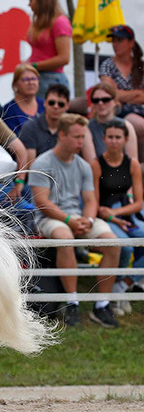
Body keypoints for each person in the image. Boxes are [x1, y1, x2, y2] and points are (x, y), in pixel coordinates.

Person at [29, 113, 120, 328]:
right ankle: (72, 302)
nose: (81, 142)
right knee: (65, 237)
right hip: (48, 218)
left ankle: (102, 305)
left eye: (83, 137)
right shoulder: (43, 162)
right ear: (62, 134)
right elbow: (42, 202)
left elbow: (90, 199)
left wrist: (87, 219)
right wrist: (70, 220)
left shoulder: (84, 165)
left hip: (76, 218)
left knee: (113, 243)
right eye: (77, 137)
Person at [91, 119, 144, 316]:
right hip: (103, 214)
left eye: (118, 137)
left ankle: (122, 284)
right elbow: (94, 202)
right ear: (104, 139)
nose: (114, 141)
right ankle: (113, 291)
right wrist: (111, 217)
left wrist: (116, 213)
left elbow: (138, 202)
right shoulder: (96, 165)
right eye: (110, 137)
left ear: (126, 139)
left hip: (123, 210)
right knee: (125, 246)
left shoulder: (133, 165)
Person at [98, 24, 144, 162]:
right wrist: (136, 94)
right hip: (119, 112)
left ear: (131, 43)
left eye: (119, 40)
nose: (115, 44)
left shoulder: (140, 66)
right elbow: (109, 94)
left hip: (138, 111)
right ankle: (135, 166)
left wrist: (121, 94)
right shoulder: (107, 64)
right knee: (138, 125)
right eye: (114, 40)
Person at [26, 0, 71, 98]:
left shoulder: (60, 22)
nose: (29, 5)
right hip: (36, 77)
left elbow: (64, 58)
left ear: (41, 1)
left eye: (31, 0)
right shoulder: (40, 22)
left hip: (52, 79)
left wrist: (34, 65)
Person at [83, 82, 138, 162]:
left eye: (106, 100)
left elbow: (133, 163)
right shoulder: (87, 127)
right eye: (96, 100)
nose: (100, 103)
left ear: (115, 102)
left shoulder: (126, 126)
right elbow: (92, 164)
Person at [19, 83, 69, 166]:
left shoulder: (71, 129)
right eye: (51, 102)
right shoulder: (30, 128)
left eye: (61, 104)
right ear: (45, 103)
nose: (56, 106)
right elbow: (31, 166)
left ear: (67, 106)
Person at [0, 63, 43, 134]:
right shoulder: (9, 110)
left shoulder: (46, 105)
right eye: (26, 79)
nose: (31, 82)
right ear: (15, 84)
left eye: (34, 78)